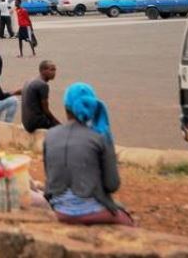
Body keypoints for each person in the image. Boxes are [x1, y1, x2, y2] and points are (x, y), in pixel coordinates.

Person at [43, 83, 134, 226]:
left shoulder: (50, 135)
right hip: (92, 212)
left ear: (66, 107)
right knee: (128, 222)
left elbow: (51, 177)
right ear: (92, 106)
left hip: (58, 210)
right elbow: (112, 184)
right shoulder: (99, 137)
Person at [22, 60, 61, 132]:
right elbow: (46, 110)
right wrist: (58, 123)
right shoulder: (43, 85)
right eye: (52, 70)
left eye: (55, 70)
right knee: (60, 130)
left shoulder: (30, 81)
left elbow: (22, 91)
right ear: (43, 70)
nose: (54, 73)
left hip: (26, 122)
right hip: (34, 123)